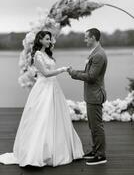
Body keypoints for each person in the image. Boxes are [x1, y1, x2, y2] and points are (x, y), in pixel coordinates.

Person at [0, 31, 84, 167]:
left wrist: (53, 46)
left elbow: (48, 65)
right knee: (42, 117)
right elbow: (45, 73)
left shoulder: (47, 54)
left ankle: (59, 149)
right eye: (46, 39)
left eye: (49, 39)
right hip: (44, 88)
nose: (49, 41)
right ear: (40, 40)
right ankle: (38, 152)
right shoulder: (37, 55)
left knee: (57, 117)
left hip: (54, 88)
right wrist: (62, 69)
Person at [68, 28, 107, 165]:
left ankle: (101, 155)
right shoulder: (95, 53)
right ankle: (95, 151)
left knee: (97, 126)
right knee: (93, 126)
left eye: (86, 37)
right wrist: (74, 71)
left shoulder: (99, 55)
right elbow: (87, 72)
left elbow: (90, 77)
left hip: (95, 95)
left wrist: (73, 74)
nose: (84, 40)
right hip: (91, 95)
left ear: (93, 38)